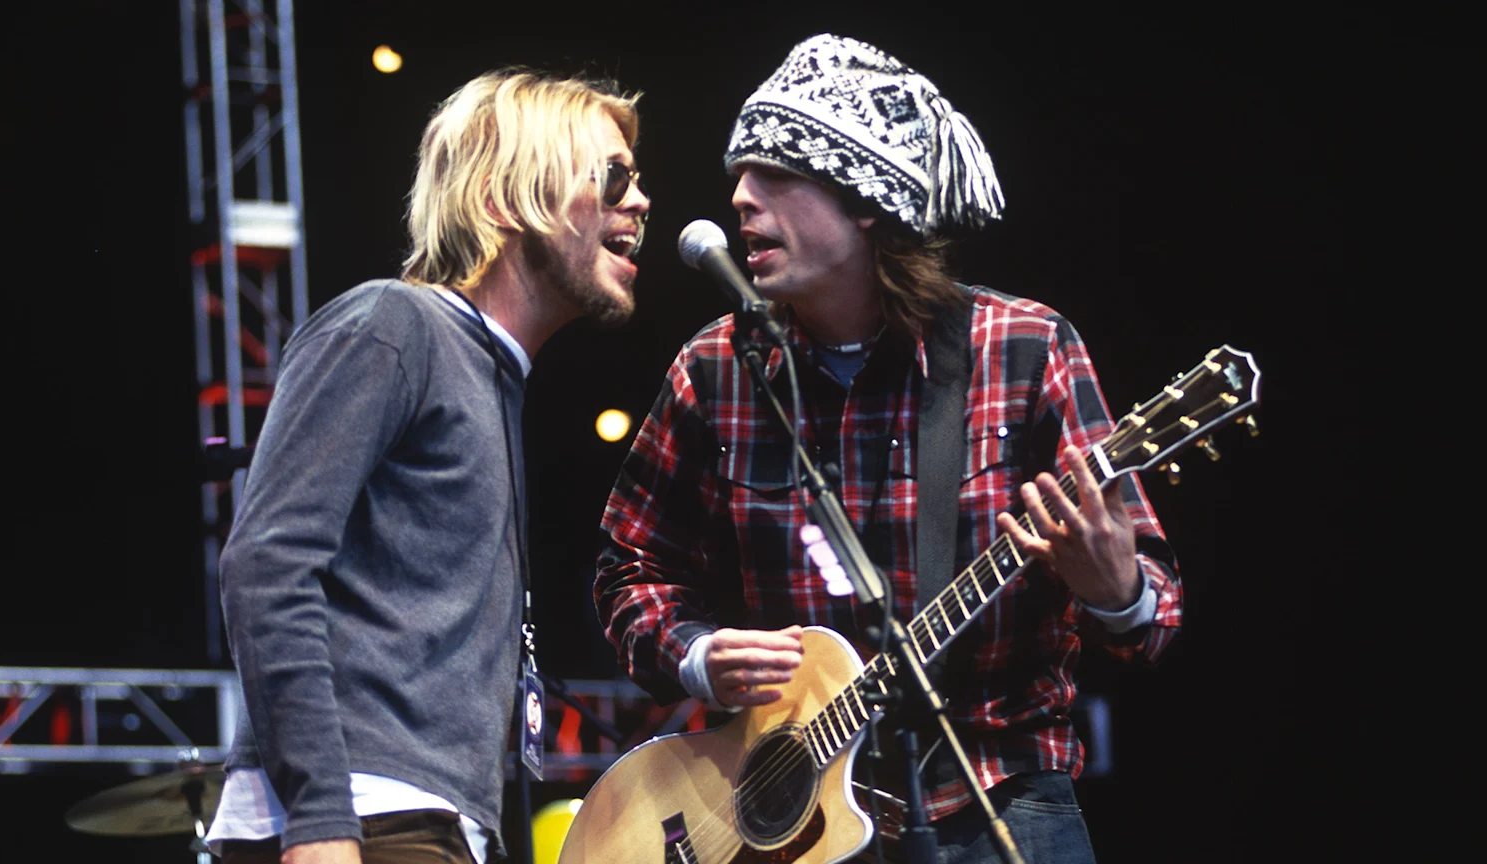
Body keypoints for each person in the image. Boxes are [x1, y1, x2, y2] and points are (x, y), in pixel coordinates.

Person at [594, 34, 1179, 863]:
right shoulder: (714, 369)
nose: (741, 200)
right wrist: (695, 656)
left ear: (865, 199)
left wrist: (1115, 587)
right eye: (738, 178)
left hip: (996, 796)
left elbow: (1153, 616)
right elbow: (629, 570)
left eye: (774, 175)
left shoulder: (1024, 347)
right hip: (782, 823)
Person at [207, 69, 650, 864]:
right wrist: (320, 816)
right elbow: (267, 563)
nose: (640, 201)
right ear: (505, 197)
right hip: (367, 817)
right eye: (612, 176)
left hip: (421, 820)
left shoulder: (488, 374)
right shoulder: (395, 324)